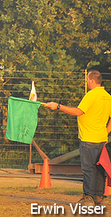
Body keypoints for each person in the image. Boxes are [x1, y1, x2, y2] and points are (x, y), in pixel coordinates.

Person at [44, 70, 111, 206]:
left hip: (88, 138)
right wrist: (106, 132)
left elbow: (78, 112)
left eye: (87, 79)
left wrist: (58, 106)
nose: (86, 82)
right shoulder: (107, 96)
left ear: (91, 80)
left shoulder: (91, 95)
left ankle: (88, 198)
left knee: (88, 168)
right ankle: (98, 196)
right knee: (99, 168)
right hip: (101, 138)